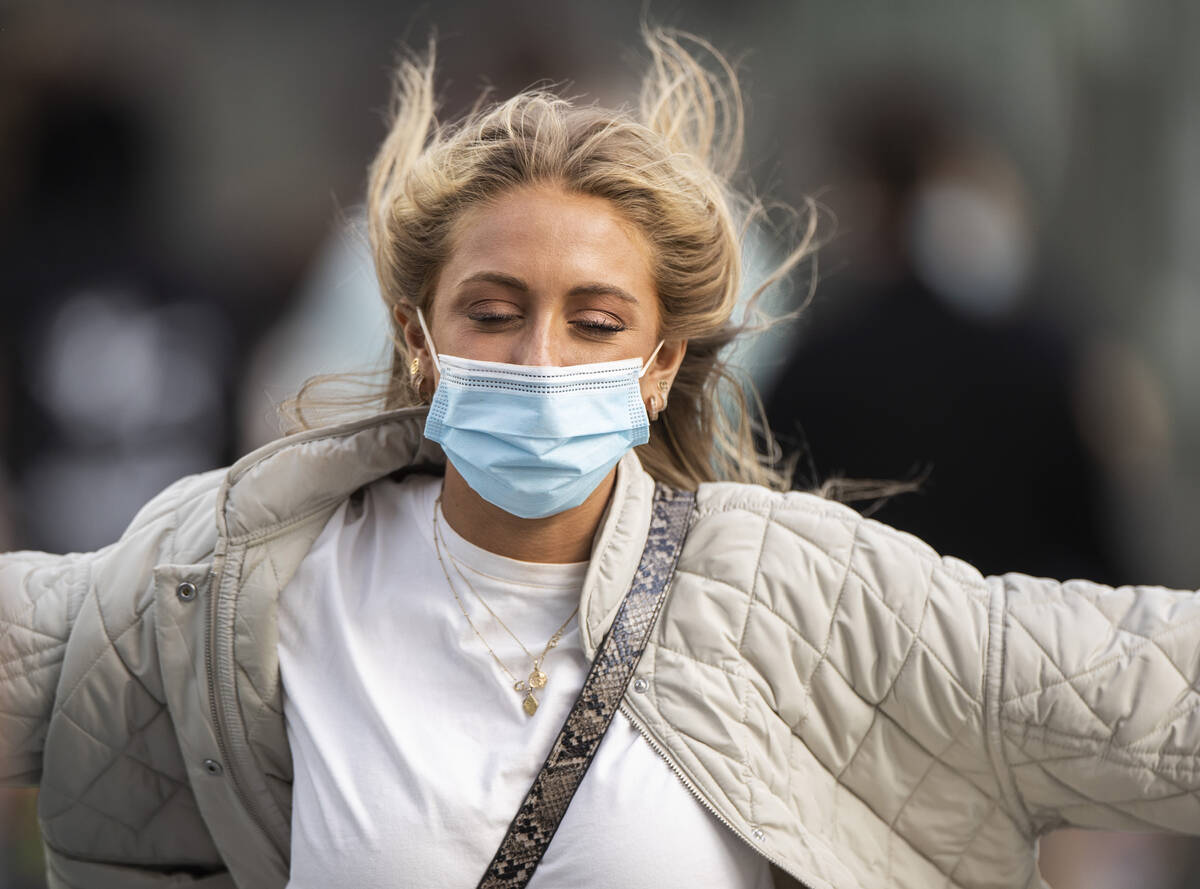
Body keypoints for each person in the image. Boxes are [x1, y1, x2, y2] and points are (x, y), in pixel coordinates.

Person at [2, 27, 1198, 889]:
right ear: (418, 342)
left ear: (661, 364)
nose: (539, 355)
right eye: (494, 309)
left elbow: (1131, 692)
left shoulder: (794, 593)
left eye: (594, 319)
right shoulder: (237, 587)